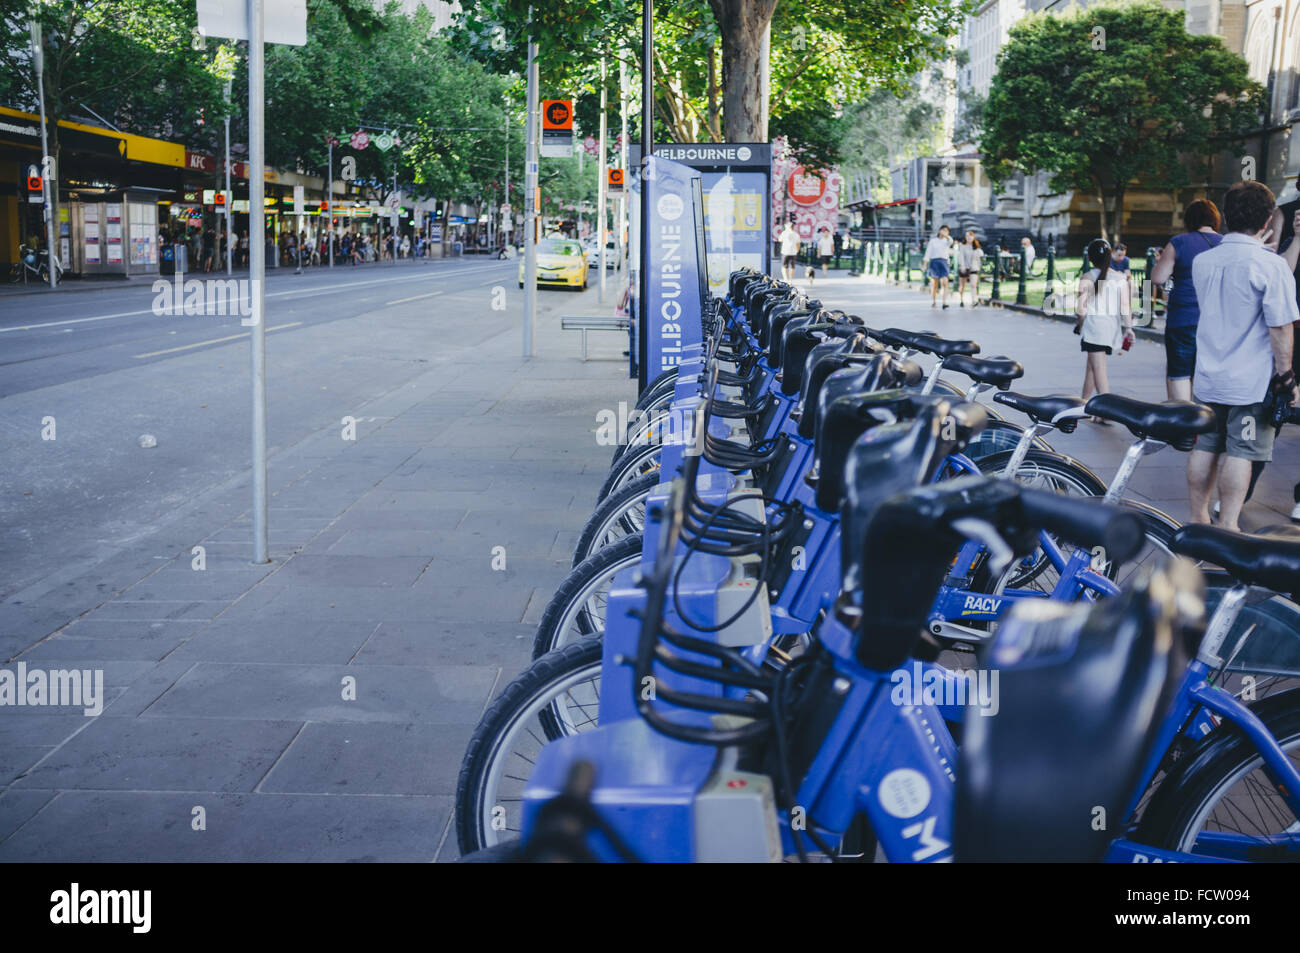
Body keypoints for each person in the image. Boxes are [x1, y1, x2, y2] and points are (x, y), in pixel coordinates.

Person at [1185, 181, 1300, 533]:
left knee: (1205, 446)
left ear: (1228, 216)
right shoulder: (1270, 265)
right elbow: (1280, 327)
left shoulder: (1205, 260)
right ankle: (1229, 525)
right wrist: (1286, 377)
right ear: (1267, 220)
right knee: (1241, 451)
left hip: (1207, 375)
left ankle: (1198, 520)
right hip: (1249, 383)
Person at [1149, 199, 1223, 401]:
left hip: (1183, 318)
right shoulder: (1225, 242)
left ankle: (1183, 426)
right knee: (1208, 373)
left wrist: (1159, 263)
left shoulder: (1179, 242)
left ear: (1189, 220)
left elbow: (1158, 278)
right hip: (1217, 321)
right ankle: (1207, 424)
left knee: (1179, 373)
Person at [1073, 238, 1134, 416]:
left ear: (1090, 258)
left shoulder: (1087, 277)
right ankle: (1084, 403)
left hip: (1093, 328)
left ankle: (1107, 411)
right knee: (1092, 367)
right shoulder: (1120, 278)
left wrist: (1081, 325)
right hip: (1110, 329)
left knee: (1099, 370)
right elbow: (1125, 307)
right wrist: (1129, 328)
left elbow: (1081, 310)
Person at [923, 225, 954, 309]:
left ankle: (944, 302)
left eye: (946, 231)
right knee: (934, 284)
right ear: (939, 230)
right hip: (934, 262)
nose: (944, 232)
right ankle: (934, 301)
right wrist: (925, 264)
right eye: (943, 230)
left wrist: (946, 235)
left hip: (944, 262)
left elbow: (951, 241)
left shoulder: (946, 241)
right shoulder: (933, 241)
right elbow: (928, 252)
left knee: (945, 282)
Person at [956, 230, 984, 307]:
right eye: (967, 236)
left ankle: (974, 300)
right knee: (962, 286)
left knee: (973, 285)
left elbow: (981, 256)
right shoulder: (962, 247)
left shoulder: (977, 247)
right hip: (964, 268)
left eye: (970, 236)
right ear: (965, 237)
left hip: (973, 268)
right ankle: (961, 299)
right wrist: (962, 266)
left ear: (973, 237)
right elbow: (961, 257)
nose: (969, 237)